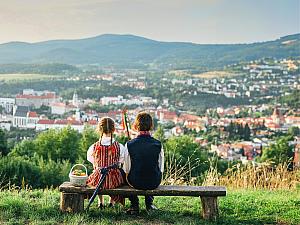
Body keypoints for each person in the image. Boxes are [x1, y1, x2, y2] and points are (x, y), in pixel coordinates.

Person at [123, 112, 164, 214]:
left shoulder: (129, 144)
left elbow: (126, 169)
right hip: (154, 181)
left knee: (124, 174)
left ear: (136, 126)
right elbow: (161, 167)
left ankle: (134, 204)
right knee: (151, 170)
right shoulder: (158, 144)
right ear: (151, 125)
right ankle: (149, 204)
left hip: (135, 182)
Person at [86, 117, 126, 208]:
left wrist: (98, 165)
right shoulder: (119, 146)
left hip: (98, 179)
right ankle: (111, 202)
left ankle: (100, 202)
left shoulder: (93, 146)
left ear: (100, 129)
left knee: (97, 172)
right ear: (113, 129)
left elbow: (91, 159)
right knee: (116, 174)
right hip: (114, 180)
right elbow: (121, 161)